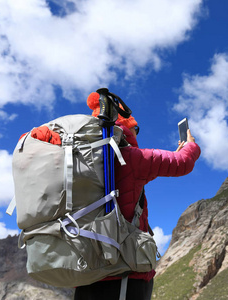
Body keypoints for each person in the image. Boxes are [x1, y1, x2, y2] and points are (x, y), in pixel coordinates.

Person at [74, 94, 201, 300]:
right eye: (136, 127)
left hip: (86, 273)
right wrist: (191, 146)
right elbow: (183, 164)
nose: (137, 132)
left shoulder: (81, 161)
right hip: (125, 274)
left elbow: (130, 182)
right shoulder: (132, 158)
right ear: (126, 126)